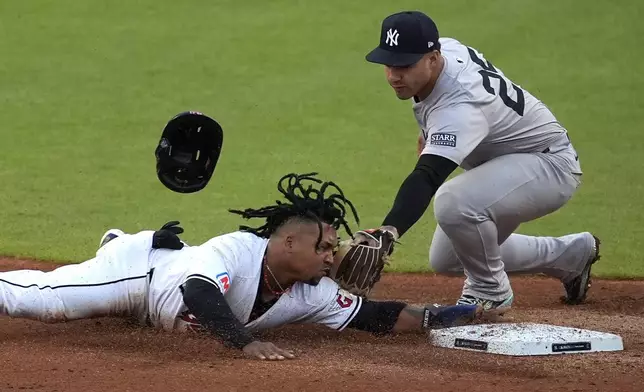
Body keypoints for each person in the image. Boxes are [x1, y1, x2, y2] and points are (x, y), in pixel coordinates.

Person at [0, 173, 490, 361]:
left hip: (162, 289)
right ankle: (120, 248)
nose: (330, 257)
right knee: (41, 302)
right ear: (289, 241)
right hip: (142, 277)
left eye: (332, 248)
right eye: (323, 246)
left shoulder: (311, 292)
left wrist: (450, 313)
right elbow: (197, 290)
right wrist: (245, 341)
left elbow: (375, 316)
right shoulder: (238, 249)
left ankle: (116, 242)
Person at [361, 11, 600, 312]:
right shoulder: (446, 50)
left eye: (405, 65)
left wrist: (389, 230)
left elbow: (428, 175)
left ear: (433, 58)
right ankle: (570, 255)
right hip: (508, 164)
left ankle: (490, 291)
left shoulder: (461, 107)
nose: (394, 76)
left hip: (548, 166)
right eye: (389, 64)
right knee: (449, 258)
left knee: (453, 201)